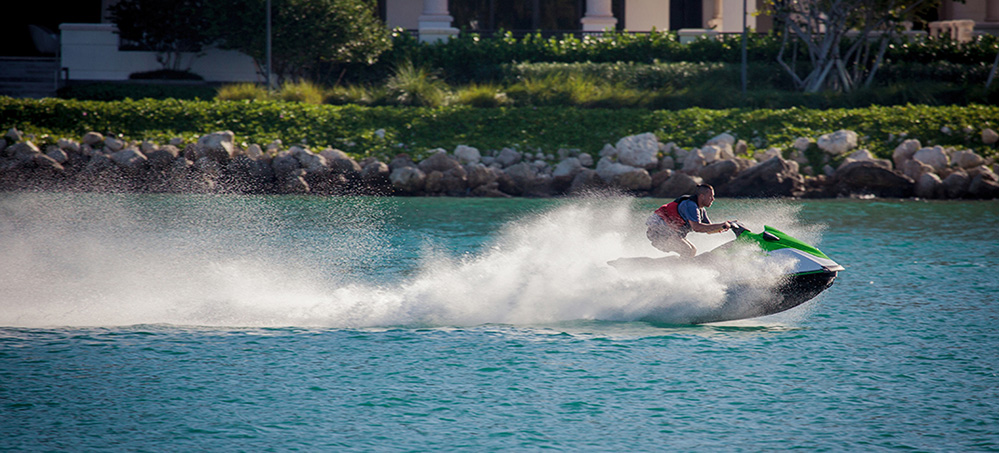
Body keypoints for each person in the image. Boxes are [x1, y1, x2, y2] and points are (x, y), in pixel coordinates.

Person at [646, 184, 734, 258]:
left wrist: (727, 226)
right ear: (702, 196)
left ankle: (680, 268)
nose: (713, 199)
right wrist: (721, 225)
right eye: (710, 196)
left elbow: (708, 229)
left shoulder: (701, 210)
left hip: (668, 233)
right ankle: (678, 272)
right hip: (658, 233)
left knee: (692, 251)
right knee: (687, 250)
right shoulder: (691, 206)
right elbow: (697, 227)